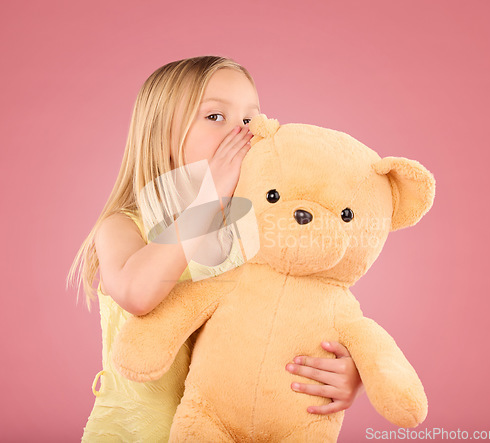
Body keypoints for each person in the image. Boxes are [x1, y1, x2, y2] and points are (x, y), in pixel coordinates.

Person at [67, 55, 365, 442]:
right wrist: (210, 197)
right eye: (214, 117)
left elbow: (299, 314)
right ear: (162, 135)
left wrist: (344, 373)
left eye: (249, 119)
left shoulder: (255, 232)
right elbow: (137, 294)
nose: (240, 133)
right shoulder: (123, 226)